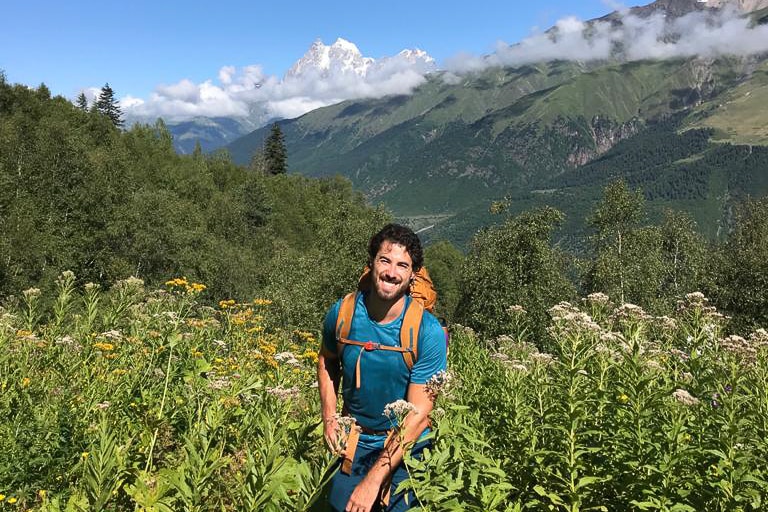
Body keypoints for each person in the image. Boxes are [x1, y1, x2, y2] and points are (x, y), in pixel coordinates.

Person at [317, 223, 448, 512]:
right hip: (355, 442)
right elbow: (327, 359)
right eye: (385, 260)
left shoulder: (427, 332)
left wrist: (373, 481)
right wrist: (329, 417)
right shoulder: (343, 313)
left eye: (402, 265)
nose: (391, 272)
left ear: (413, 275)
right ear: (372, 263)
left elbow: (417, 417)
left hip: (408, 447)